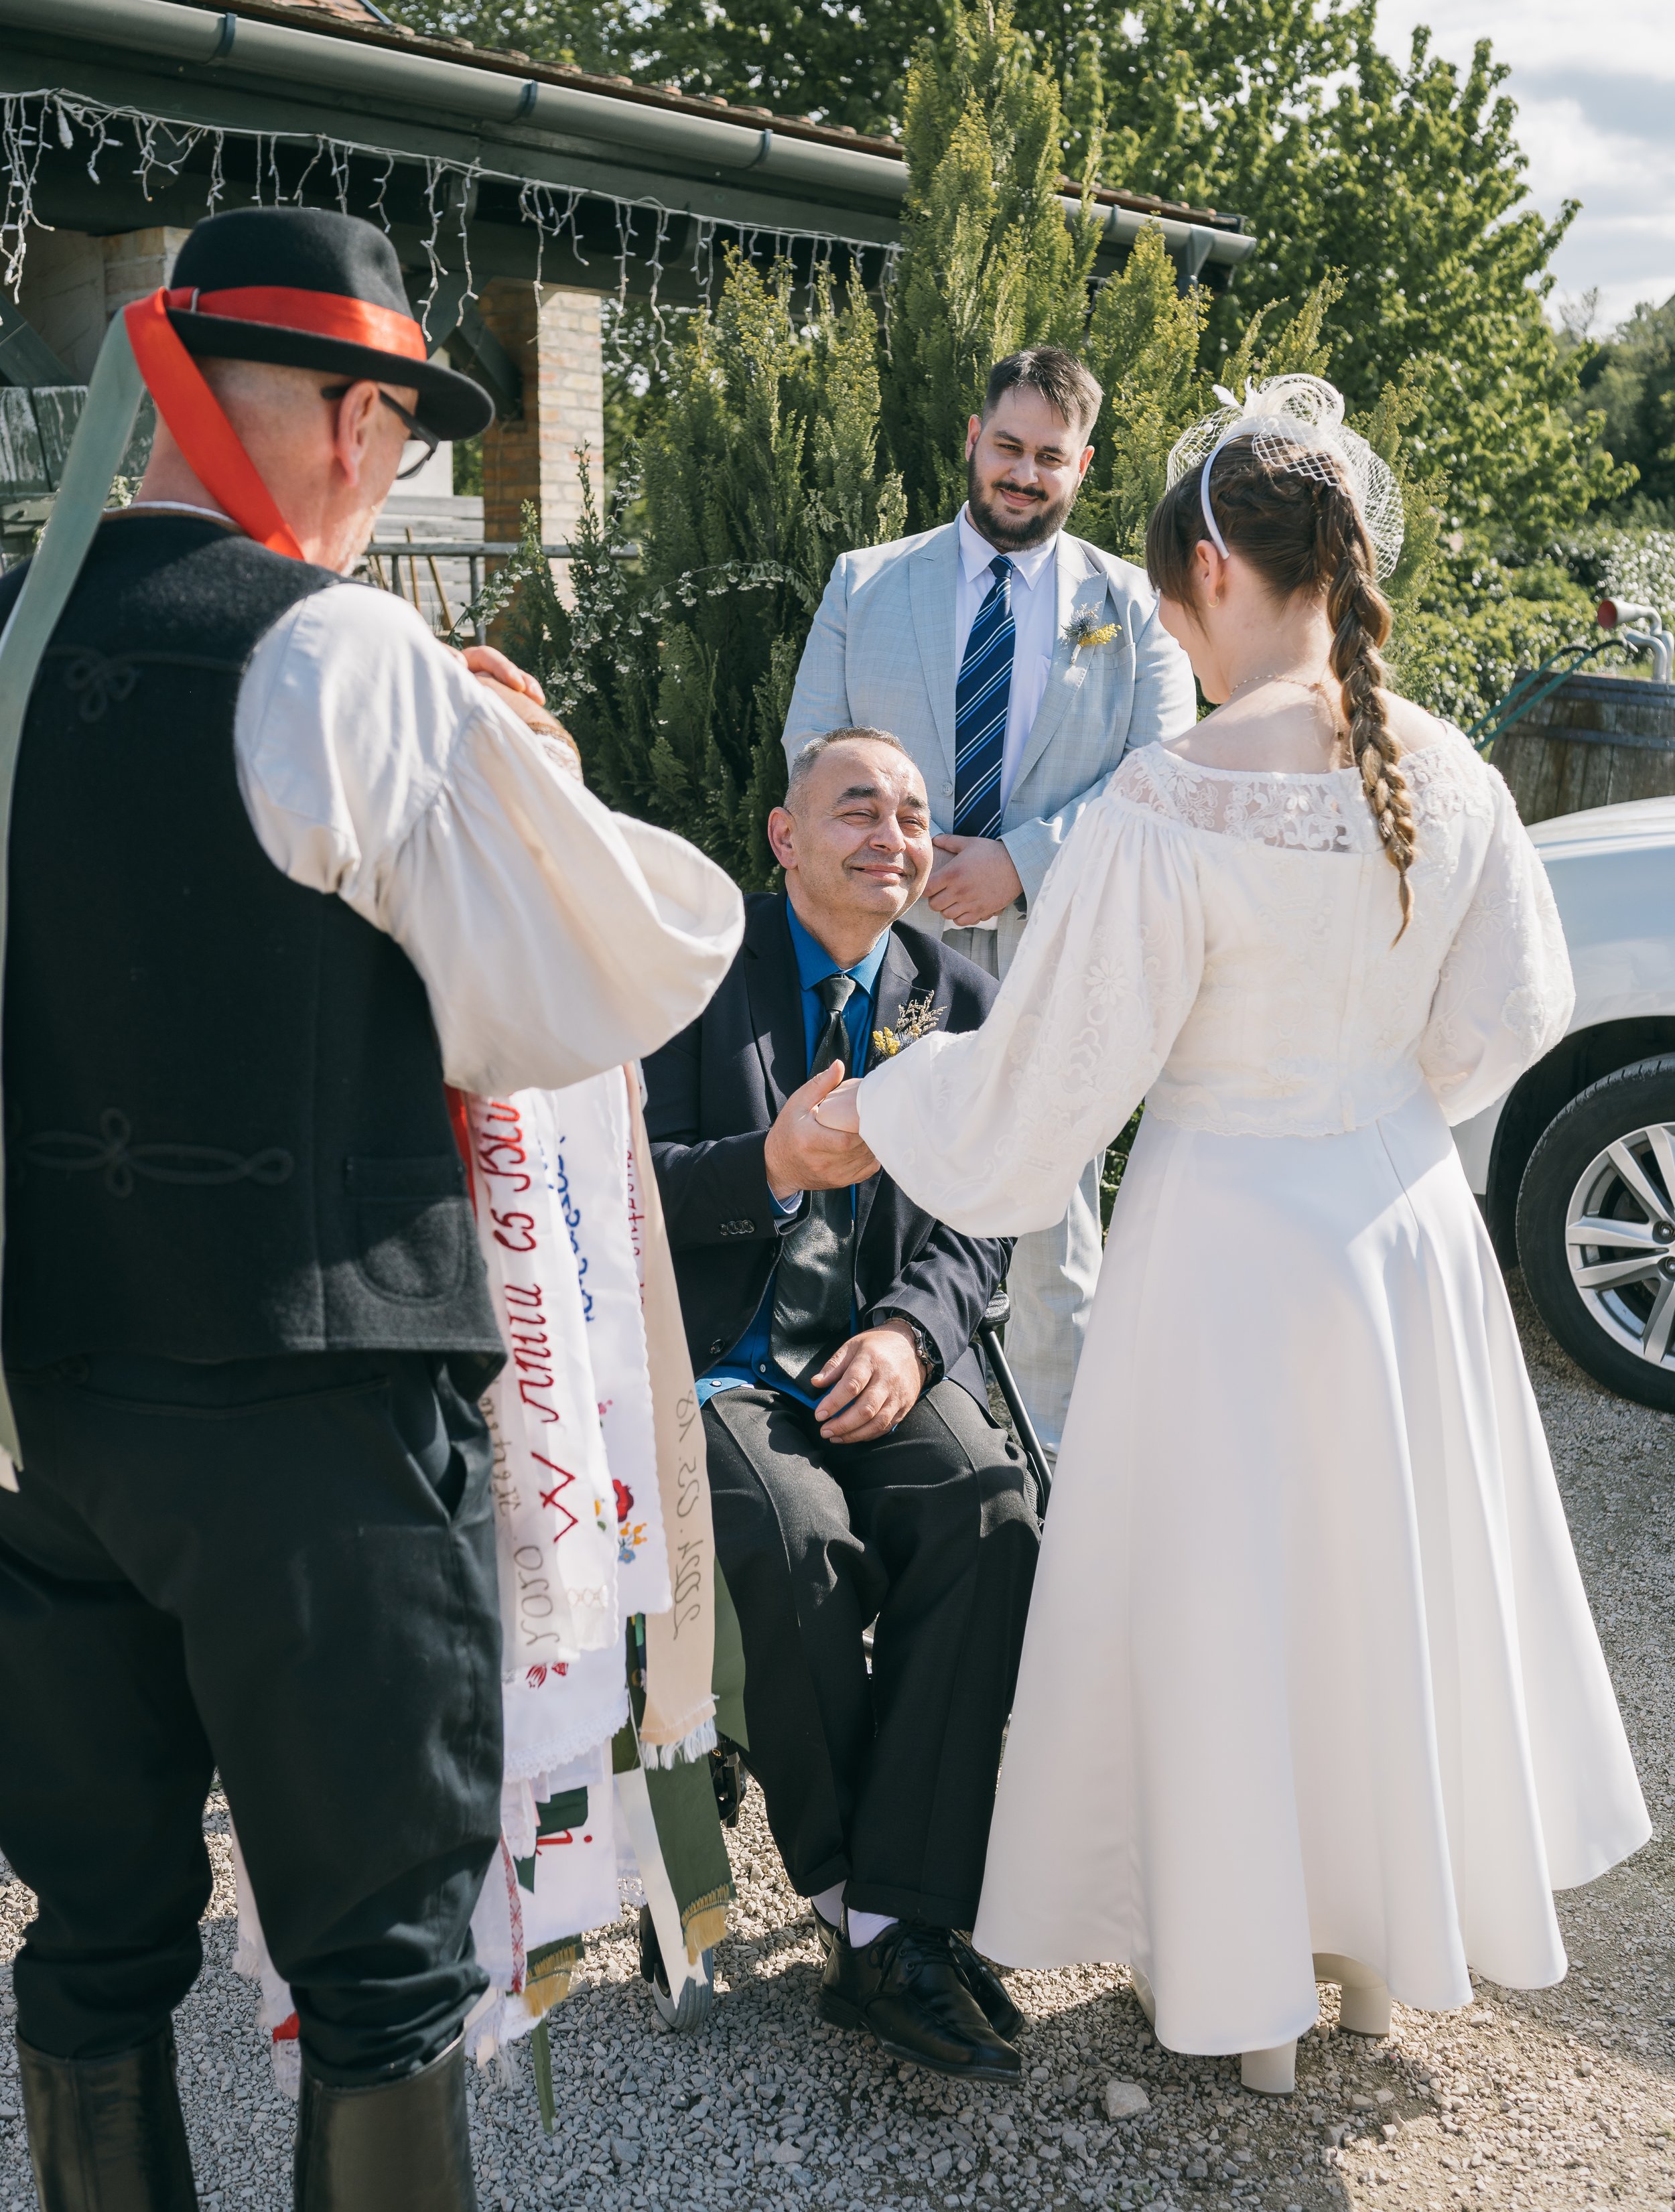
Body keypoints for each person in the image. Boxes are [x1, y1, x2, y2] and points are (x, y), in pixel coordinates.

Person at [0, 206, 742, 2212]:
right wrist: (530, 758)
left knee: (88, 1936)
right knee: (386, 1969)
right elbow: (606, 967)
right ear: (349, 418)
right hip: (305, 1416)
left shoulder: (8, 639)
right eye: (403, 439)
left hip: (48, 1409)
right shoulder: (341, 651)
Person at [822, 379, 1651, 2093]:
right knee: (1367, 1585)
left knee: (1233, 1598)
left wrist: (877, 1110)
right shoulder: (1452, 769)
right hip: (1400, 1224)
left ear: (1209, 564)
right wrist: (1368, 1114)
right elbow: (1509, 1015)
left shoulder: (1170, 795)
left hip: (1224, 1242)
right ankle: (1362, 1958)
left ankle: (1243, 1989)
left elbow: (1048, 1087)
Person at [643, 726, 1040, 2083]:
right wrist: (766, 1157)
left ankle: (887, 1915)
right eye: (855, 806)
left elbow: (985, 1217)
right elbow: (623, 1181)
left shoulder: (955, 994)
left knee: (991, 1511)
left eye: (915, 815)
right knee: (789, 1528)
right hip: (722, 1357)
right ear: (782, 836)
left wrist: (913, 1333)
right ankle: (881, 1910)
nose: (892, 834)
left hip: (871, 1354)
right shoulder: (697, 974)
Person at [784, 346, 1195, 1453]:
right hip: (889, 948)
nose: (1023, 474)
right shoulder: (866, 583)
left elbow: (1166, 778)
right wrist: (898, 852)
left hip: (1059, 950)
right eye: (1008, 447)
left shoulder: (1132, 611)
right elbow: (809, 746)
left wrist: (1024, 860)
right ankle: (865, 1431)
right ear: (974, 437)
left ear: (1082, 466)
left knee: (1052, 1218)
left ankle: (1051, 1468)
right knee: (877, 1184)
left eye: (1049, 458)